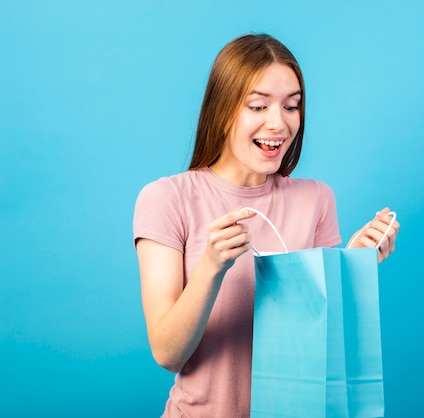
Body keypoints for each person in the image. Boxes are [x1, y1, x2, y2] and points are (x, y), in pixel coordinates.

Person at [133, 33, 400, 417]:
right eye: (258, 106)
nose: (278, 123)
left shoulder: (316, 199)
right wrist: (211, 267)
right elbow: (167, 353)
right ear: (221, 109)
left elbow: (327, 346)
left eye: (292, 106)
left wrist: (350, 266)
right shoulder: (166, 199)